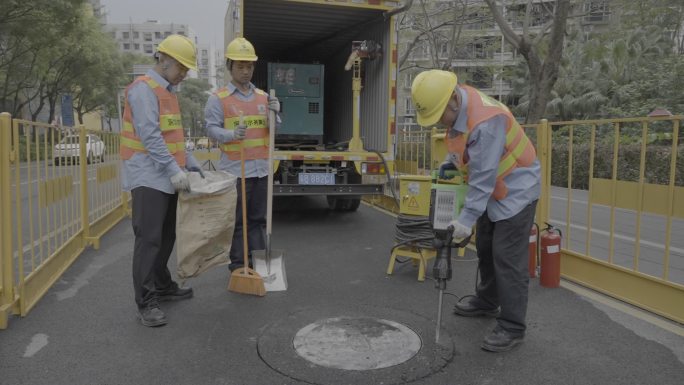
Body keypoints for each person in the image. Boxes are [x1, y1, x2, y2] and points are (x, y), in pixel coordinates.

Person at [411, 69, 541, 352]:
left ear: (453, 100)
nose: (437, 122)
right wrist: (451, 161)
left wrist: (465, 220)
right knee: (485, 246)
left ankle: (512, 326)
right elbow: (463, 144)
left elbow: (482, 178)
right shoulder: (461, 107)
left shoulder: (486, 121)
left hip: (517, 192)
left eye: (438, 115)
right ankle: (487, 301)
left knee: (507, 257)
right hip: (494, 191)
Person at [120, 34, 204, 327]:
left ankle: (163, 285)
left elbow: (173, 137)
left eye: (186, 69)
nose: (184, 73)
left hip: (167, 177)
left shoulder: (169, 92)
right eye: (181, 67)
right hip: (147, 176)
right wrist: (173, 169)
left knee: (166, 236)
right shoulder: (143, 90)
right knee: (149, 240)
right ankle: (146, 302)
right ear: (163, 59)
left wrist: (190, 162)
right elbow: (150, 137)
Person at [204, 37, 279, 272]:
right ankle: (238, 266)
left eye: (249, 67)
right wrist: (231, 134)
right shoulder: (219, 98)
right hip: (236, 172)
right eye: (240, 67)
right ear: (230, 67)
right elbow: (210, 128)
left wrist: (275, 114)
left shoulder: (264, 97)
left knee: (258, 221)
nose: (245, 72)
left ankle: (258, 265)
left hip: (261, 170)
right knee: (238, 222)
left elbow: (274, 128)